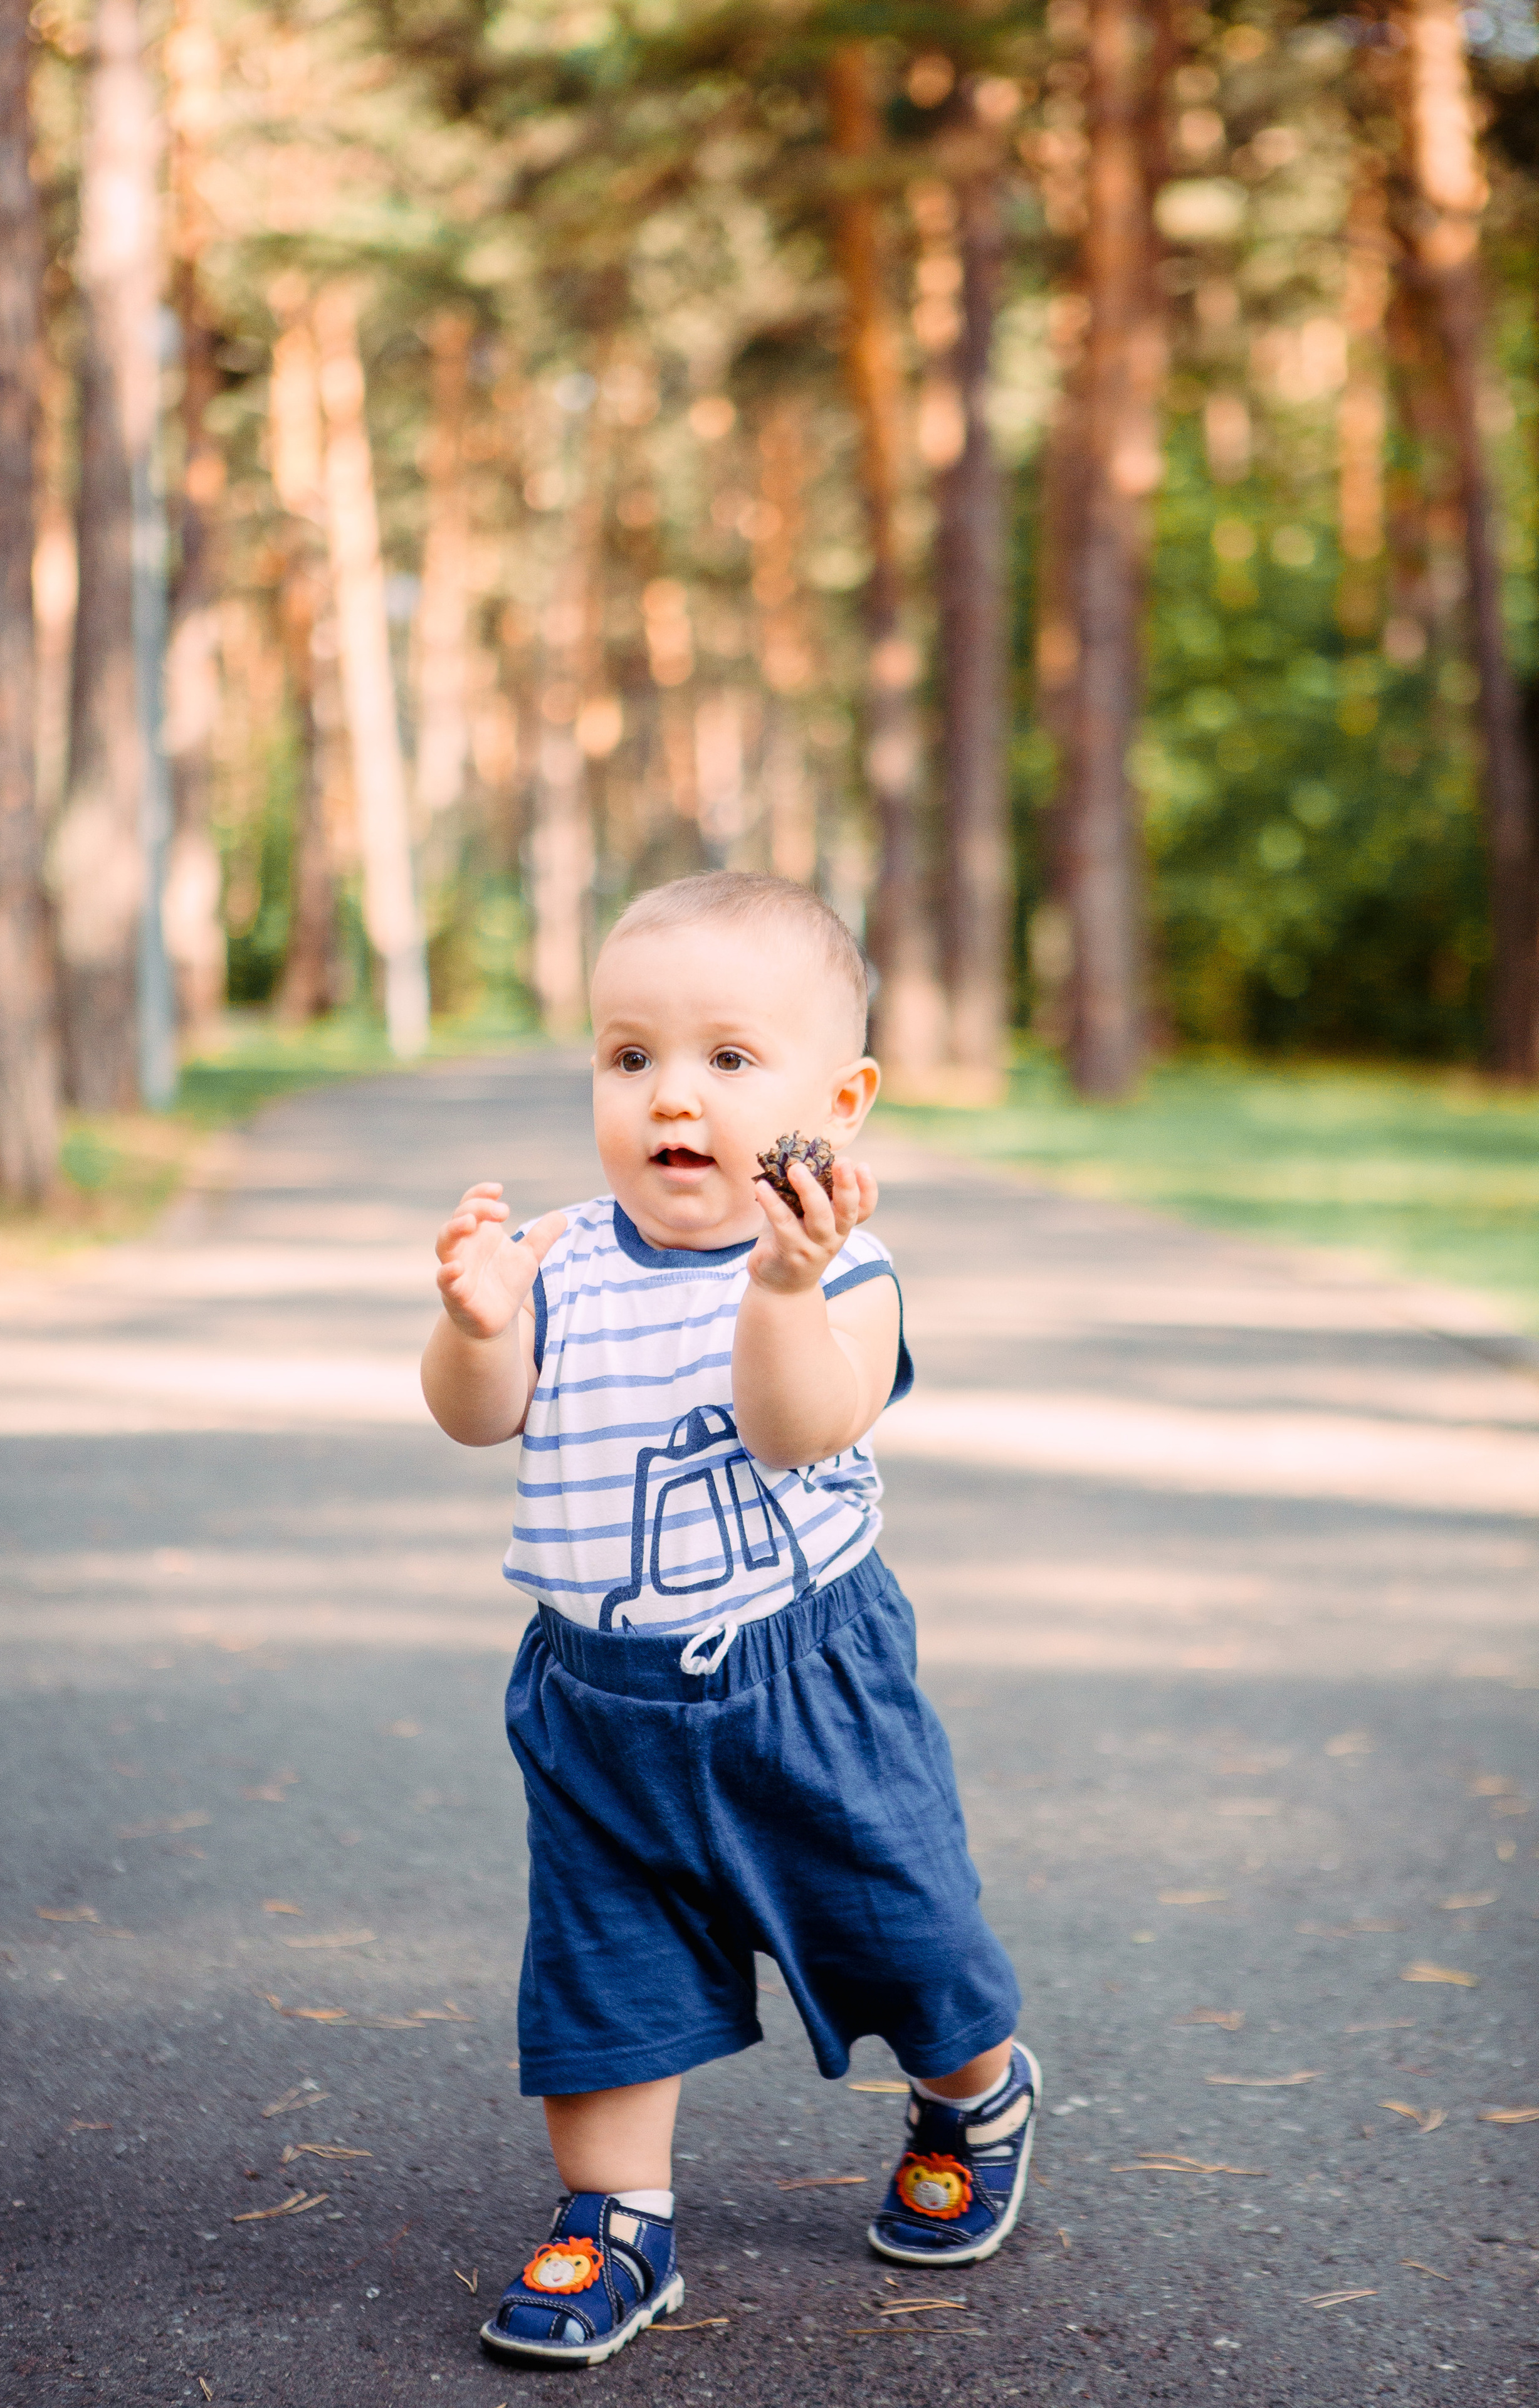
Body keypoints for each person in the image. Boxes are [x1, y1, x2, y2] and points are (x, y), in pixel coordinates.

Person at [422, 871, 1040, 2368]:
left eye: (729, 1058)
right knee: (603, 1964)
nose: (670, 1096)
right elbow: (475, 1418)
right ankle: (615, 2219)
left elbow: (797, 1425)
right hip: (595, 1702)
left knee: (903, 1931)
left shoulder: (845, 1274)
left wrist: (780, 1286)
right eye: (628, 1056)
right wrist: (475, 1326)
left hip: (805, 1682)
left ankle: (975, 2093)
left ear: (841, 1102)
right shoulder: (559, 1257)